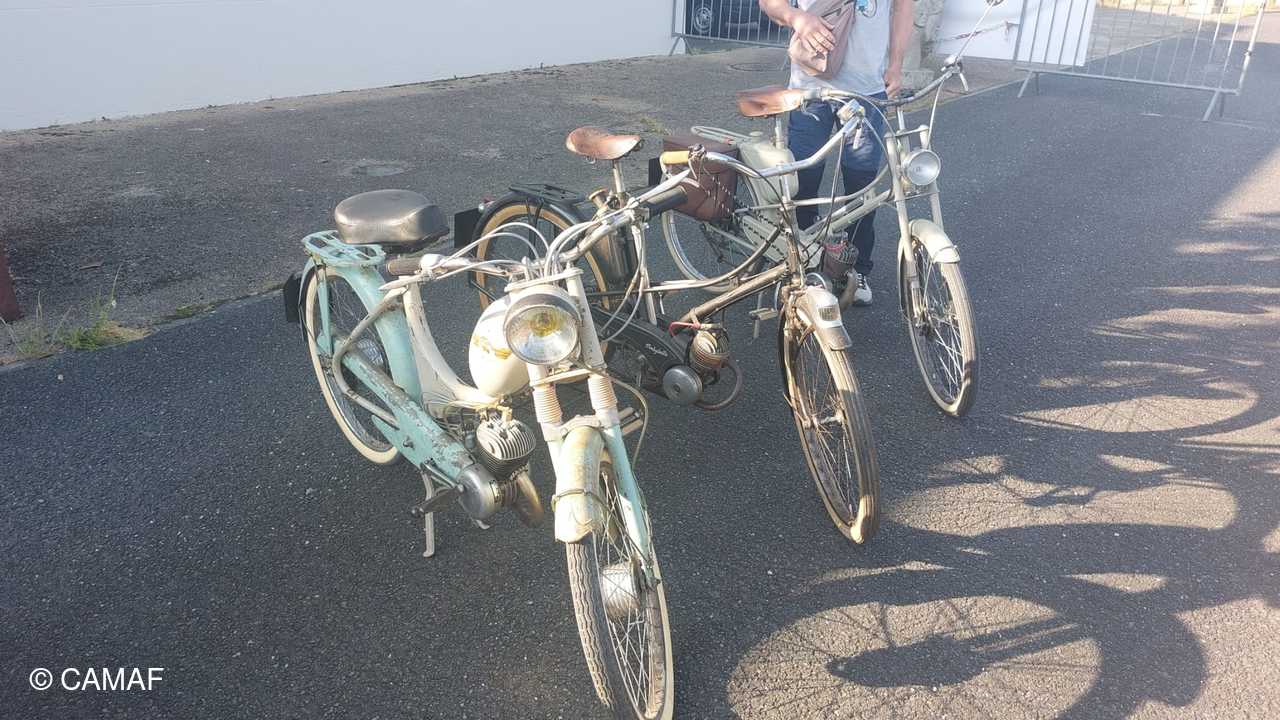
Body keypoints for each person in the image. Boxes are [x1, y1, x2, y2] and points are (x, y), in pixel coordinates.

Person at [760, 0, 914, 306]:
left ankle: (856, 269)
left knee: (862, 186)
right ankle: (803, 265)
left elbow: (903, 7)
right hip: (809, 89)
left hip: (867, 91)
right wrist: (796, 17)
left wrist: (896, 64)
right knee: (803, 180)